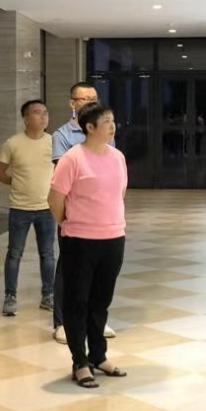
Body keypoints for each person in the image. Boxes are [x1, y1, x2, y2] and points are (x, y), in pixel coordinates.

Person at [49, 103, 128, 389]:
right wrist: (68, 222)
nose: (112, 126)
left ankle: (98, 355)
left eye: (113, 121)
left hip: (113, 238)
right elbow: (55, 198)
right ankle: (80, 362)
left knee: (100, 301)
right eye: (106, 122)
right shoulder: (73, 158)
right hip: (79, 240)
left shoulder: (117, 157)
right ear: (89, 127)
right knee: (77, 301)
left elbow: (120, 192)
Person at [50, 82, 116, 344]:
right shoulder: (62, 136)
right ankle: (62, 322)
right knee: (68, 270)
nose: (90, 103)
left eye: (93, 98)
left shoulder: (107, 133)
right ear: (72, 103)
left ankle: (94, 320)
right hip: (75, 217)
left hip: (102, 219)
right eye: (84, 99)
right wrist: (65, 219)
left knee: (100, 273)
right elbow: (61, 185)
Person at [0, 99, 56, 315]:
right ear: (26, 118)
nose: (43, 116)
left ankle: (48, 295)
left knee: (48, 254)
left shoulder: (54, 142)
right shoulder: (13, 143)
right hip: (20, 208)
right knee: (14, 253)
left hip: (47, 208)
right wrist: (17, 182)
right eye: (37, 112)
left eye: (45, 112)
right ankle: (10, 296)